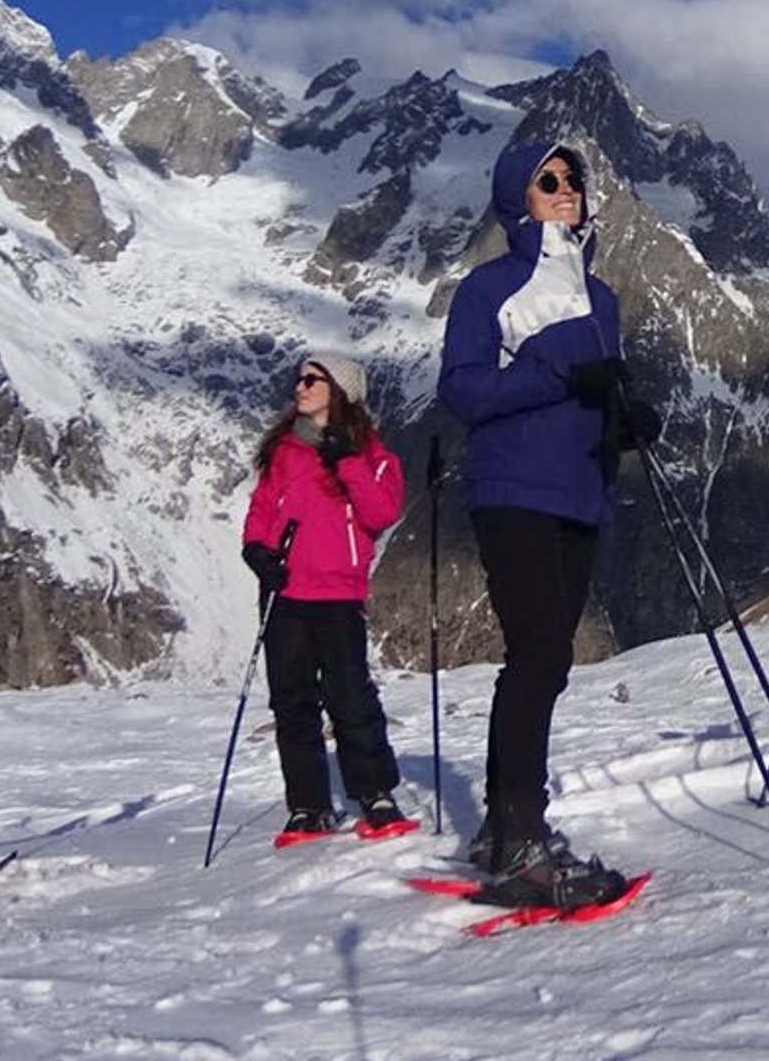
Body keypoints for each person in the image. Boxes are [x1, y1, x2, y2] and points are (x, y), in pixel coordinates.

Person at [438, 137, 655, 910]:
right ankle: (522, 839)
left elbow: (586, 394)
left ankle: (505, 827)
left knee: (547, 661)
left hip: (580, 492)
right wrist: (555, 372)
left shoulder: (603, 301)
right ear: (515, 200)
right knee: (538, 653)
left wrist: (624, 422)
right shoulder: (489, 288)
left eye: (574, 181)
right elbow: (462, 391)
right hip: (512, 486)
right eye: (548, 182)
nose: (568, 191)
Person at [238, 350, 413, 848]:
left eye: (312, 379)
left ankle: (375, 795)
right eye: (299, 378)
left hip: (337, 587)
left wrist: (347, 462)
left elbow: (381, 513)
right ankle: (308, 806)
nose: (300, 386)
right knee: (291, 700)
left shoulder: (373, 456)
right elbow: (262, 508)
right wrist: (256, 549)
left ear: (340, 389)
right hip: (285, 586)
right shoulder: (284, 451)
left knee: (349, 694)